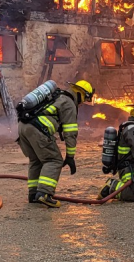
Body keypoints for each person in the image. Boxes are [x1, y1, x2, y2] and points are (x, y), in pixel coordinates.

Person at [17, 79, 94, 208]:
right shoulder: (69, 103)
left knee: (36, 160)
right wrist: (70, 156)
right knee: (53, 160)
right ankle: (44, 194)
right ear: (80, 93)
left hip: (23, 127)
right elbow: (70, 133)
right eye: (84, 99)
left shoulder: (57, 96)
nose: (81, 103)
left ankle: (33, 194)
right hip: (37, 130)